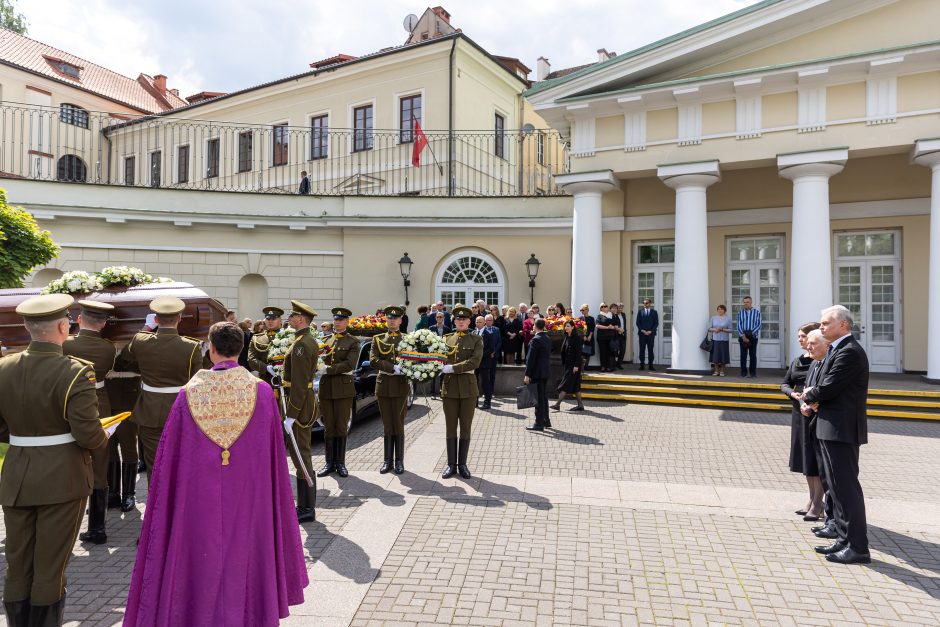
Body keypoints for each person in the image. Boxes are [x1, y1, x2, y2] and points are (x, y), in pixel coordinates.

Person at [123, 322, 309, 627]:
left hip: (197, 498)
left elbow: (171, 457)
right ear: (242, 349)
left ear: (211, 350)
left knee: (200, 553)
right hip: (249, 496)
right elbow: (273, 454)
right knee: (245, 553)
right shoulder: (261, 392)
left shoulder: (188, 394)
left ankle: (195, 613)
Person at [0, 294, 109, 626]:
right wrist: (104, 437)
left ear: (26, 327)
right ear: (64, 326)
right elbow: (88, 434)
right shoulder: (76, 372)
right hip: (63, 476)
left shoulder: (3, 368)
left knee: (18, 562)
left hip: (17, 471)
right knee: (50, 565)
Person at [801, 305, 871, 565]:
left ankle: (858, 548)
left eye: (826, 323)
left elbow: (828, 386)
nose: (821, 327)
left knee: (847, 489)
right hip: (831, 427)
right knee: (837, 489)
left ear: (843, 325)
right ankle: (844, 539)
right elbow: (825, 383)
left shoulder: (850, 351)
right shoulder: (837, 348)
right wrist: (816, 396)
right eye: (821, 323)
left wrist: (809, 395)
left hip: (842, 429)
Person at [116, 297, 202, 485]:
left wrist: (146, 330)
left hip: (150, 411)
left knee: (155, 465)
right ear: (179, 318)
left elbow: (123, 360)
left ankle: (156, 508)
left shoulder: (141, 340)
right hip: (180, 411)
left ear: (154, 319)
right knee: (180, 463)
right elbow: (196, 380)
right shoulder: (191, 346)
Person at [63, 300, 117, 546]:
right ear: (104, 324)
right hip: (100, 404)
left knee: (70, 457)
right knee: (99, 461)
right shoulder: (108, 348)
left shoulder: (67, 344)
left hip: (68, 406)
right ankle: (98, 527)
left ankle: (67, 521)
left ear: (79, 320)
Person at [781, 322, 824, 521]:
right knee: (805, 457)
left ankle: (818, 502)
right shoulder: (798, 360)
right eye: (798, 336)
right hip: (799, 412)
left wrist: (809, 400)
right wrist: (793, 394)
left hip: (815, 411)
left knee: (816, 458)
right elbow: (785, 383)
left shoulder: (820, 361)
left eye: (802, 336)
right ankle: (811, 499)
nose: (800, 340)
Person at [282, 300, 319, 522]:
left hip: (300, 405)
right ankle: (305, 504)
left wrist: (291, 414)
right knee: (299, 452)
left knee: (301, 453)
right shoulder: (301, 340)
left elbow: (299, 382)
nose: (289, 317)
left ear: (301, 319)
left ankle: (307, 507)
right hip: (301, 401)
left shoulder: (302, 344)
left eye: (292, 315)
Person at [106, 319, 146, 513]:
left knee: (128, 446)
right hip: (106, 399)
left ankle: (128, 494)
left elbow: (141, 368)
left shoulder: (139, 344)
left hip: (128, 400)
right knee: (109, 447)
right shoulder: (103, 343)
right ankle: (112, 493)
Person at [440, 306, 483, 479]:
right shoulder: (446, 339)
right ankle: (451, 465)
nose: (461, 321)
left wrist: (452, 367)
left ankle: (462, 464)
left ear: (469, 321)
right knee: (450, 427)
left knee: (465, 427)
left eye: (464, 319)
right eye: (458, 319)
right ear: (454, 321)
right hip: (449, 388)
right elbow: (439, 357)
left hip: (468, 388)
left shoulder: (476, 339)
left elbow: (475, 362)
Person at [316, 307, 359, 478]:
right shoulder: (325, 340)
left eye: (341, 320)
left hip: (343, 388)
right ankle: (329, 463)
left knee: (341, 427)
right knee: (328, 427)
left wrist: (328, 369)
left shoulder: (352, 341)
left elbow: (350, 364)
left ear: (347, 322)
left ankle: (340, 463)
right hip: (326, 388)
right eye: (335, 319)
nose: (337, 322)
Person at [370, 306, 410, 474]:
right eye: (389, 318)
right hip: (384, 385)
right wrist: (393, 367)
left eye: (395, 318)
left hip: (401, 386)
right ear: (386, 320)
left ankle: (399, 461)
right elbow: (373, 359)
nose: (392, 320)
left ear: (401, 321)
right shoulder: (378, 339)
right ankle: (387, 460)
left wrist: (406, 368)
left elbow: (415, 359)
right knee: (387, 424)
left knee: (399, 424)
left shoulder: (408, 339)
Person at [524, 318, 552, 431]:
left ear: (535, 326)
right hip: (545, 372)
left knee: (538, 399)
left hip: (536, 373)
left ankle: (539, 423)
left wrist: (527, 374)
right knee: (543, 397)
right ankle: (546, 420)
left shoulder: (536, 340)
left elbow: (530, 359)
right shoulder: (547, 338)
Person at [553, 320, 585, 411]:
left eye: (568, 326)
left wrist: (576, 366)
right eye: (565, 326)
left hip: (574, 366)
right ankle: (580, 405)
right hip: (568, 365)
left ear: (573, 327)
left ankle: (557, 404)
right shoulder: (567, 336)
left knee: (565, 385)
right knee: (576, 387)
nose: (566, 328)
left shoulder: (577, 338)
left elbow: (579, 353)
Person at [248, 306, 284, 383]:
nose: (270, 321)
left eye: (273, 319)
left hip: (285, 379)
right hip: (265, 379)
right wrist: (265, 368)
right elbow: (251, 359)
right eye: (268, 319)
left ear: (280, 320)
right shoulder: (257, 338)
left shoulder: (287, 336)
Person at [477, 314, 501, 410]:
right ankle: (475, 402)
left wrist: (480, 355)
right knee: (474, 381)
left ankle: (487, 402)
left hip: (485, 362)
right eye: (476, 322)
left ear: (484, 323)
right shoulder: (474, 333)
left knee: (485, 382)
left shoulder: (488, 334)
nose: (477, 324)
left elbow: (491, 348)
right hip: (475, 363)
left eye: (479, 322)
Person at [737, 296, 762, 378]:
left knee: (753, 355)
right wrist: (743, 336)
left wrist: (750, 334)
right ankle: (743, 373)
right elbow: (738, 325)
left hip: (753, 337)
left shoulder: (757, 312)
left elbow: (759, 324)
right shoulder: (740, 313)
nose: (745, 303)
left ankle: (753, 373)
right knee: (743, 356)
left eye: (747, 302)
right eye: (744, 302)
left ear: (751, 302)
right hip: (742, 337)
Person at [707, 305, 732, 376]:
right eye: (718, 309)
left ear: (724, 310)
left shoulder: (728, 319)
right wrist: (715, 329)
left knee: (723, 356)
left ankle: (722, 371)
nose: (720, 310)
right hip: (715, 340)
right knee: (715, 356)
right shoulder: (713, 318)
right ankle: (716, 371)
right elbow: (709, 328)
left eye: (721, 309)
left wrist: (722, 329)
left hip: (724, 340)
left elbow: (731, 330)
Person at [635, 298, 659, 371]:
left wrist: (650, 331)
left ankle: (650, 365)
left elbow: (656, 323)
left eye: (647, 303)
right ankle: (642, 365)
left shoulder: (654, 312)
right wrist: (642, 330)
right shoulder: (640, 312)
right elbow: (638, 322)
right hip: (642, 334)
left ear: (650, 304)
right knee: (642, 350)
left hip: (651, 334)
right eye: (644, 303)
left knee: (650, 350)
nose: (645, 304)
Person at [595, 303, 614, 372]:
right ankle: (603, 366)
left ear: (607, 307)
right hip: (601, 337)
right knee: (602, 352)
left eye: (605, 306)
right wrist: (607, 327)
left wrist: (613, 327)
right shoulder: (599, 316)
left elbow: (615, 324)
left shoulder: (611, 315)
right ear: (600, 308)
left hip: (610, 337)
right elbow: (597, 326)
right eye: (602, 307)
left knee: (609, 352)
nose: (604, 307)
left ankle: (609, 366)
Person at [613, 303, 628, 369]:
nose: (620, 309)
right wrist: (618, 330)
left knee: (623, 350)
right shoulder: (614, 315)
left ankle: (619, 364)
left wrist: (623, 331)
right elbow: (613, 324)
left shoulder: (623, 315)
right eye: (619, 308)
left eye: (621, 308)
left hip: (623, 335)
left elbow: (624, 324)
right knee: (615, 350)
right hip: (616, 334)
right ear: (617, 308)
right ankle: (614, 363)